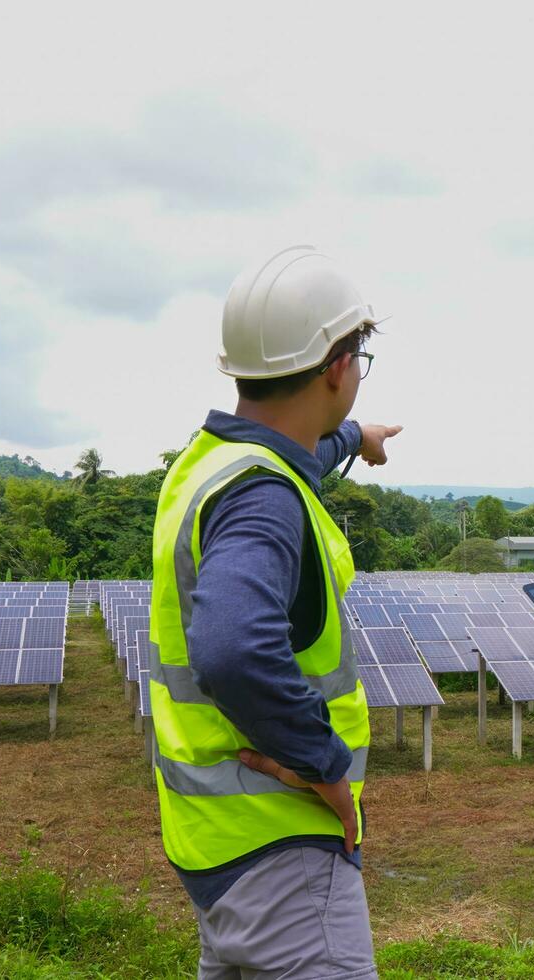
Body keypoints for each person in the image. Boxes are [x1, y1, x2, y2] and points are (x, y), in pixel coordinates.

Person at [148, 245, 402, 979]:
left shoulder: (215, 462)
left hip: (216, 841)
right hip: (281, 846)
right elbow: (231, 647)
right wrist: (323, 764)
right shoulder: (262, 496)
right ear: (335, 367)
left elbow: (295, 457)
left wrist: (357, 436)